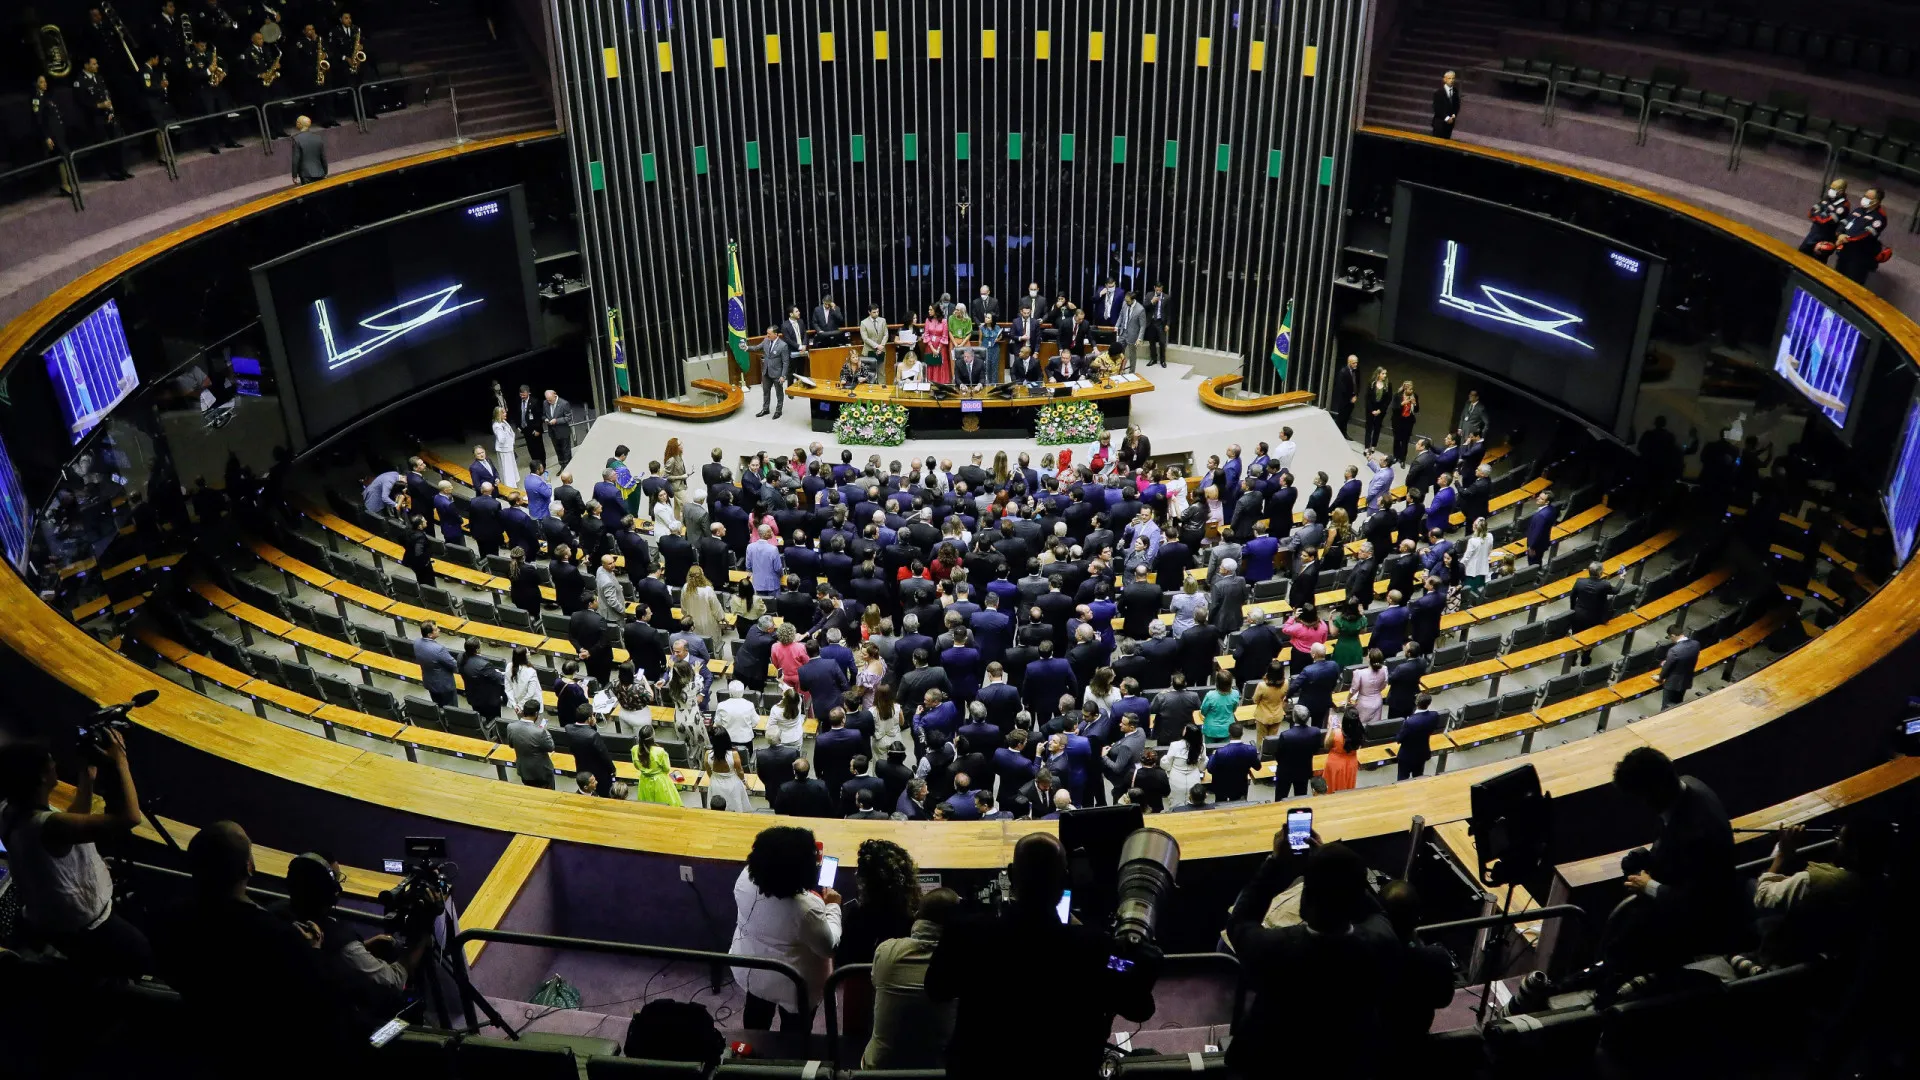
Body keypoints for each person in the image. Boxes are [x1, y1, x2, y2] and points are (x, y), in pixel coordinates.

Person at [927, 833, 1154, 1077]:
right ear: (1065, 879)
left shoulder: (965, 935)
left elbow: (937, 990)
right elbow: (1140, 1008)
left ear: (1011, 875)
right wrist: (1140, 963)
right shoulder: (1094, 947)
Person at [150, 821, 355, 1067]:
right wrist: (315, 952)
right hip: (262, 1051)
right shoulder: (278, 936)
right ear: (250, 867)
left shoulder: (169, 916)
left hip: (200, 1036)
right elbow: (321, 1001)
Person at [1225, 840, 1401, 1075]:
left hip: (1275, 1066)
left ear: (1304, 902)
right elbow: (1377, 913)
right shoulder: (1381, 943)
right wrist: (1339, 867)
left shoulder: (1272, 950)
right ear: (1356, 902)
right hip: (1349, 1065)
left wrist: (1275, 862)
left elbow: (1240, 921)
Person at [0, 734, 150, 977]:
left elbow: (71, 825)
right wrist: (120, 760)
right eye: (50, 761)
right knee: (141, 955)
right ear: (41, 776)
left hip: (54, 922)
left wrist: (87, 779)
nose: (55, 764)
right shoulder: (47, 825)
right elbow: (130, 818)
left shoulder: (11, 809)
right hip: (88, 928)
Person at [1602, 747, 1743, 984]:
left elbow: (1696, 901)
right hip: (1685, 892)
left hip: (1699, 923)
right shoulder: (1688, 786)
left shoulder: (1697, 832)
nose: (1641, 804)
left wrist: (1648, 886)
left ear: (1654, 791)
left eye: (1641, 796)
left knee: (1621, 945)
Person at [730, 826, 842, 1031]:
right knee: (794, 1036)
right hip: (794, 985)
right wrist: (833, 906)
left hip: (752, 969)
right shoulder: (807, 908)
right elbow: (828, 947)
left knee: (755, 1022)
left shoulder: (744, 877)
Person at [862, 886, 960, 1069]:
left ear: (917, 916)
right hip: (939, 1070)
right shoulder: (964, 961)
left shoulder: (887, 951)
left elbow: (876, 984)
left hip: (880, 1069)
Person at [1826, 186, 1888, 285]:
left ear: (1876, 201)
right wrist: (1840, 233)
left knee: (1852, 284)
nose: (1864, 199)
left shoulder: (1879, 217)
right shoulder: (1858, 210)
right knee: (1837, 279)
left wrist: (1846, 238)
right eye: (1864, 196)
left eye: (1868, 197)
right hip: (1846, 251)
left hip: (1860, 257)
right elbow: (1844, 222)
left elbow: (1866, 235)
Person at [504, 700, 556, 787]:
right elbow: (551, 747)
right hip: (541, 772)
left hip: (523, 769)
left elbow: (511, 745)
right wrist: (545, 730)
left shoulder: (511, 727)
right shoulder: (540, 732)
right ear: (536, 713)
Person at [1799, 177, 1850, 258]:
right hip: (1814, 233)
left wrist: (1818, 214)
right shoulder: (1828, 198)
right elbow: (1811, 212)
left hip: (1825, 238)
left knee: (1816, 260)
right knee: (1801, 253)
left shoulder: (1844, 205)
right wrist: (1819, 215)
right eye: (1831, 188)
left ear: (1841, 191)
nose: (1831, 190)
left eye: (1834, 189)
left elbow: (1824, 221)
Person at [413, 619, 459, 707]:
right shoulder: (439, 649)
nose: (439, 630)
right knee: (452, 709)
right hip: (444, 685)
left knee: (438, 705)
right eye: (436, 629)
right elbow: (454, 665)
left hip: (429, 682)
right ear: (430, 635)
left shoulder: (417, 643)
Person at [629, 725, 679, 806]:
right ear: (653, 736)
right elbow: (666, 769)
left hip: (644, 781)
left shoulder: (634, 749)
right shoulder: (660, 752)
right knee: (664, 806)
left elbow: (636, 766)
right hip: (659, 782)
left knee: (647, 806)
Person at [1397, 693, 1442, 780]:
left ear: (1416, 703)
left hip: (1407, 755)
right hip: (1423, 752)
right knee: (1418, 777)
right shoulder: (1434, 715)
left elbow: (1399, 739)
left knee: (1403, 779)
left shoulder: (1409, 722)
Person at [1658, 623, 1701, 707]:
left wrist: (1660, 677)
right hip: (1686, 681)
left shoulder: (1674, 650)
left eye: (1670, 637)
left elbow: (1667, 667)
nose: (1671, 639)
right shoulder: (1696, 644)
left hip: (1673, 684)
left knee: (1666, 707)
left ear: (1673, 635)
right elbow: (1688, 657)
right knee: (1678, 705)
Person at [1323, 705, 1362, 791]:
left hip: (1336, 764)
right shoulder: (1360, 733)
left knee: (1332, 787)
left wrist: (1331, 728)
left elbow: (1326, 745)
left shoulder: (1336, 733)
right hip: (1351, 763)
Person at [290, 114, 327, 182]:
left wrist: (294, 176)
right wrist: (325, 172)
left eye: (297, 122)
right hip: (320, 172)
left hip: (306, 175)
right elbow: (323, 157)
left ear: (300, 124)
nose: (296, 123)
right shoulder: (318, 138)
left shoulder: (296, 139)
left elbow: (295, 160)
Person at [1363, 367, 1392, 452]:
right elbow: (1367, 398)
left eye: (1385, 374)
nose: (1385, 375)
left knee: (1377, 428)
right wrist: (1372, 410)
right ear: (1378, 374)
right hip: (1370, 409)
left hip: (1381, 410)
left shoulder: (1388, 385)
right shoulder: (1372, 383)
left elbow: (1388, 400)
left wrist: (1380, 410)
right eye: (1383, 373)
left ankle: (1373, 446)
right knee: (1369, 427)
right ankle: (1367, 447)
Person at [1143, 283, 1172, 367]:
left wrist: (1168, 324)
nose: (1159, 291)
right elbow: (1144, 306)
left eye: (1160, 289)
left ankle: (1162, 361)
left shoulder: (1166, 297)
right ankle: (1153, 359)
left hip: (1161, 322)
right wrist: (1151, 302)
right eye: (1157, 289)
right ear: (1154, 288)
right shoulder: (1149, 295)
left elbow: (1169, 312)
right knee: (1151, 342)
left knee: (1162, 342)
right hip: (1151, 322)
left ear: (1162, 288)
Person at [542, 389, 574, 465]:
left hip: (563, 432)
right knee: (558, 451)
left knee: (566, 451)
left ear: (555, 395)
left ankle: (568, 466)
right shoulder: (545, 403)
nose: (549, 402)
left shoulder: (564, 403)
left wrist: (556, 421)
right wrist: (545, 419)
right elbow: (543, 415)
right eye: (547, 400)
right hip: (552, 432)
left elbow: (568, 418)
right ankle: (562, 465)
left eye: (550, 400)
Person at [1390, 380, 1420, 461]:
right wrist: (1402, 404)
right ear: (1405, 389)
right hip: (1397, 420)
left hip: (1408, 421)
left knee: (1405, 440)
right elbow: (1394, 408)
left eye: (1412, 389)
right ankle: (1396, 456)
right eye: (1409, 389)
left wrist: (1415, 403)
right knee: (1397, 439)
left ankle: (1402, 459)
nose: (1411, 391)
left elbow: (1417, 410)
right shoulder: (1397, 395)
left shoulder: (1414, 396)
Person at [1331, 353, 1360, 435]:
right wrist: (1350, 397)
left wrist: (1356, 395)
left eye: (1356, 362)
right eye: (1354, 363)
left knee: (1347, 417)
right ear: (1349, 362)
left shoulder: (1356, 371)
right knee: (1341, 417)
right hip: (1344, 399)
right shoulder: (1343, 372)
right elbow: (1342, 387)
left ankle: (1344, 433)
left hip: (1352, 398)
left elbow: (1357, 384)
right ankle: (1337, 434)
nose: (1356, 364)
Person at [1432, 69, 1460, 138]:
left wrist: (1454, 115)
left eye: (1453, 78)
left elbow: (1456, 105)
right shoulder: (1438, 93)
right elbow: (1437, 109)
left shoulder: (1455, 91)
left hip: (1450, 125)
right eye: (1449, 78)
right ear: (1444, 79)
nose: (1451, 80)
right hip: (1439, 124)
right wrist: (1447, 118)